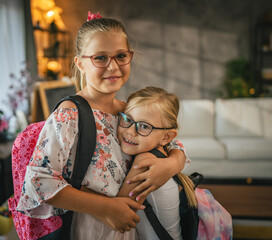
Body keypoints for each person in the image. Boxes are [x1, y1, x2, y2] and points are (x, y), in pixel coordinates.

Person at [16, 13, 188, 239]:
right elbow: (39, 179)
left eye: (120, 56)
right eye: (100, 58)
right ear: (80, 63)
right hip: (93, 227)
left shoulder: (127, 109)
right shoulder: (69, 114)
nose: (113, 66)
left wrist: (173, 164)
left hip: (128, 229)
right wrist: (105, 208)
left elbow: (169, 140)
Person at [117, 86, 196, 240]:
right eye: (127, 119)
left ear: (166, 137)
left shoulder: (145, 162)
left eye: (144, 126)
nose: (131, 131)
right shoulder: (163, 153)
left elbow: (119, 212)